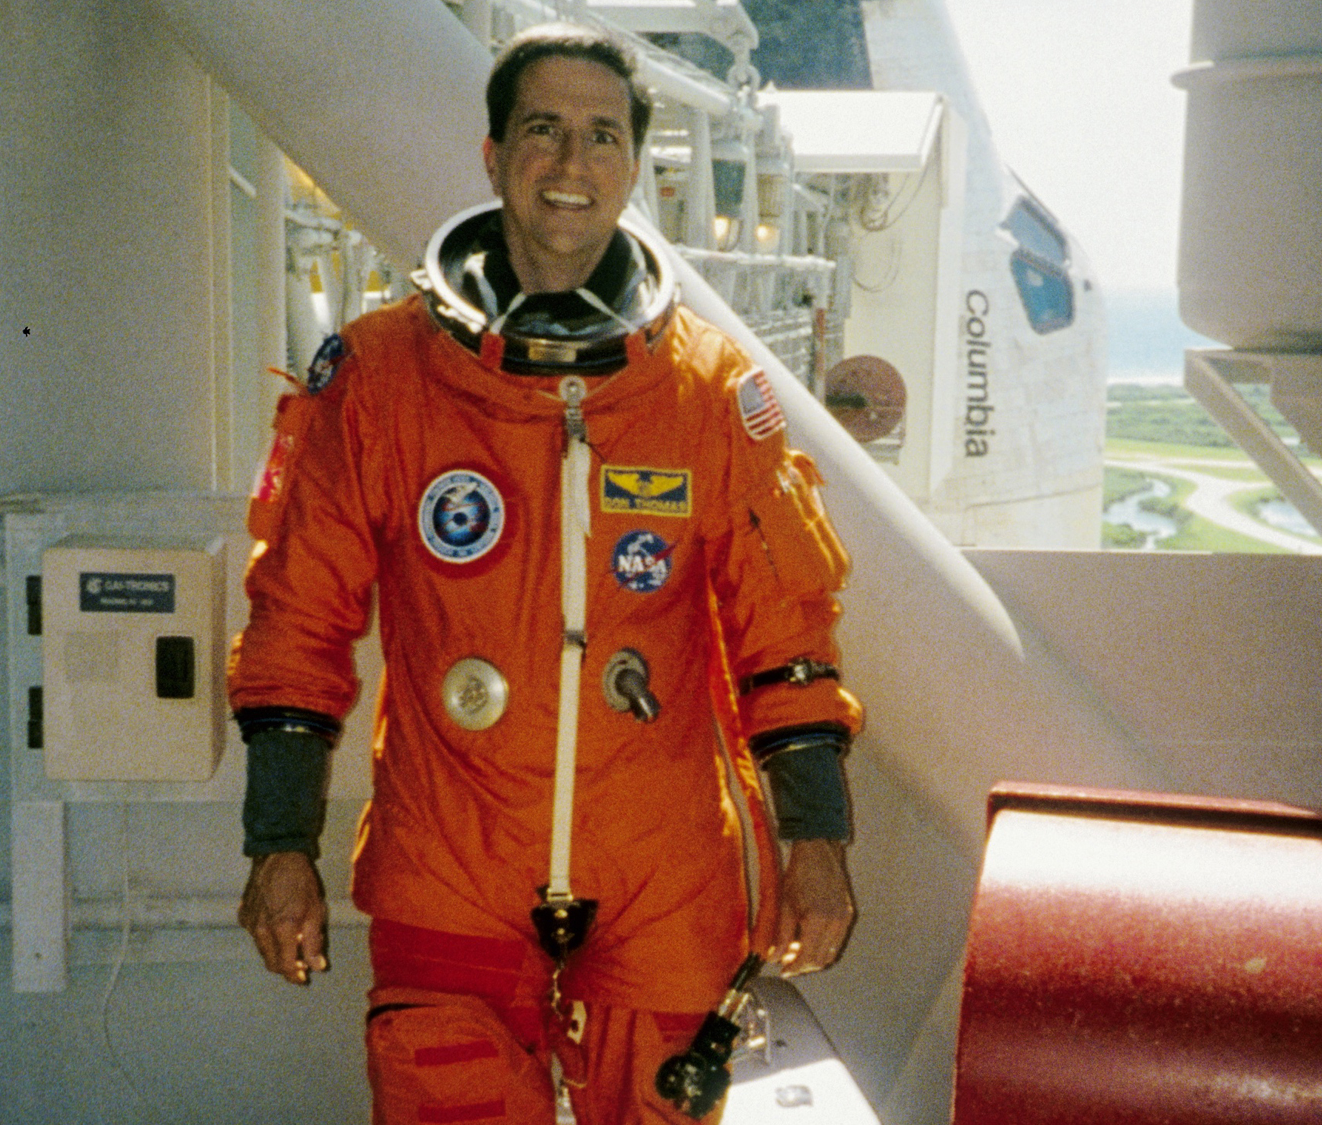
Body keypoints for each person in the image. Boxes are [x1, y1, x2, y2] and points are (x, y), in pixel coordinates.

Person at [229, 22, 863, 1125]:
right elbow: (297, 622)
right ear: (492, 153)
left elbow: (786, 634)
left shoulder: (709, 392)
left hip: (665, 869)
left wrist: (819, 844)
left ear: (634, 168)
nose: (571, 167)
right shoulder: (379, 379)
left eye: (602, 138)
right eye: (543, 131)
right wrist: (280, 845)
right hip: (450, 854)